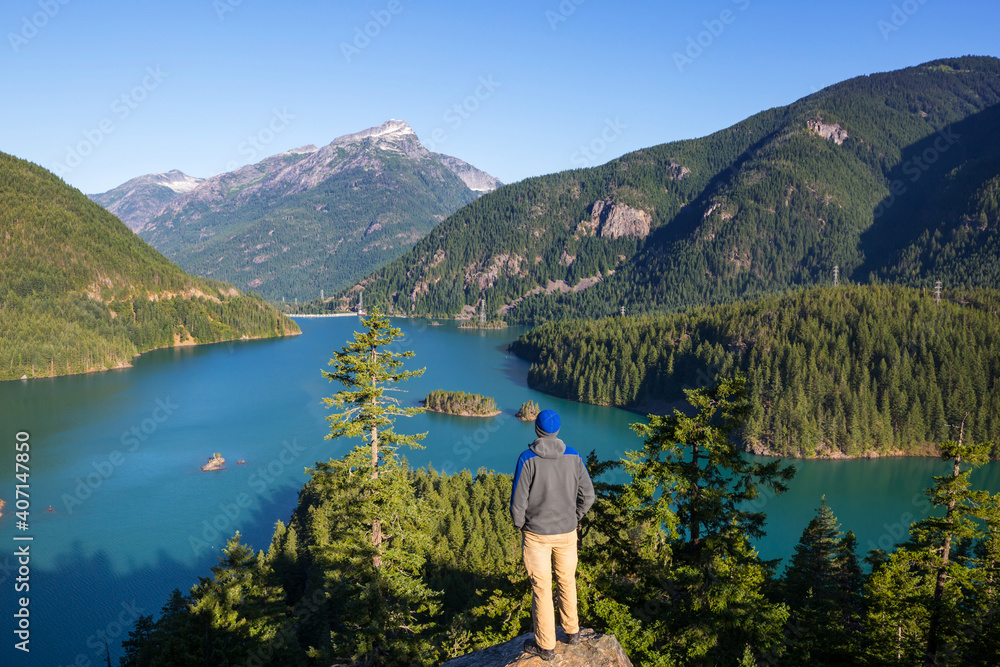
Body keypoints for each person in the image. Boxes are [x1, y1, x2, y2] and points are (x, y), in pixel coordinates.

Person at [509, 409, 595, 661]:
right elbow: (588, 496)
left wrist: (521, 525)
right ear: (557, 431)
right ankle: (572, 631)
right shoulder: (574, 457)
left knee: (542, 588)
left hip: (536, 536)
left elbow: (518, 503)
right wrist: (575, 517)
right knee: (567, 580)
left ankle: (546, 646)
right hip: (567, 534)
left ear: (537, 430)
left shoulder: (527, 458)